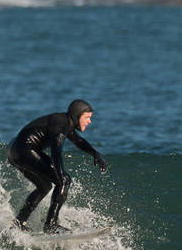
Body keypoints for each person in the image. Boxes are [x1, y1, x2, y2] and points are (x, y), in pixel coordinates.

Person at [7, 99, 107, 234]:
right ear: (78, 116)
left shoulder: (63, 122)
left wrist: (95, 154)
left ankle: (19, 222)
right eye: (87, 117)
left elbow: (78, 140)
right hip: (25, 150)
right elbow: (56, 152)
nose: (89, 121)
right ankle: (51, 224)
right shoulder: (61, 126)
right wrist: (61, 176)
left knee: (44, 186)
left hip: (14, 151)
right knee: (64, 180)